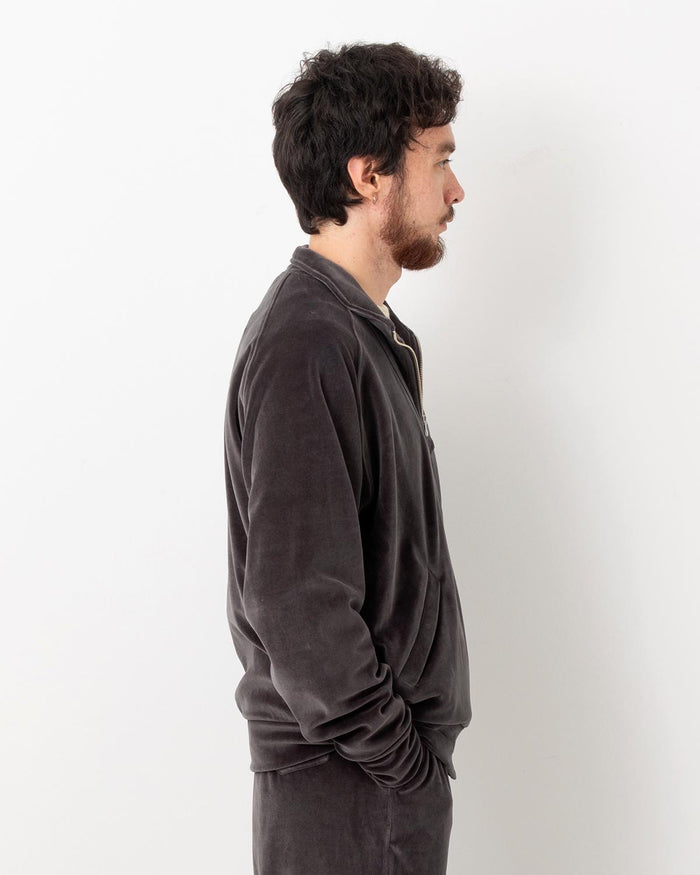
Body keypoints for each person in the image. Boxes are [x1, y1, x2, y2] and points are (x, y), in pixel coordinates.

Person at [223, 41, 472, 875]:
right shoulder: (310, 341)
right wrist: (403, 763)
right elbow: (297, 604)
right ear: (370, 176)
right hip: (349, 786)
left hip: (366, 780)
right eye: (439, 160)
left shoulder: (360, 332)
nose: (455, 190)